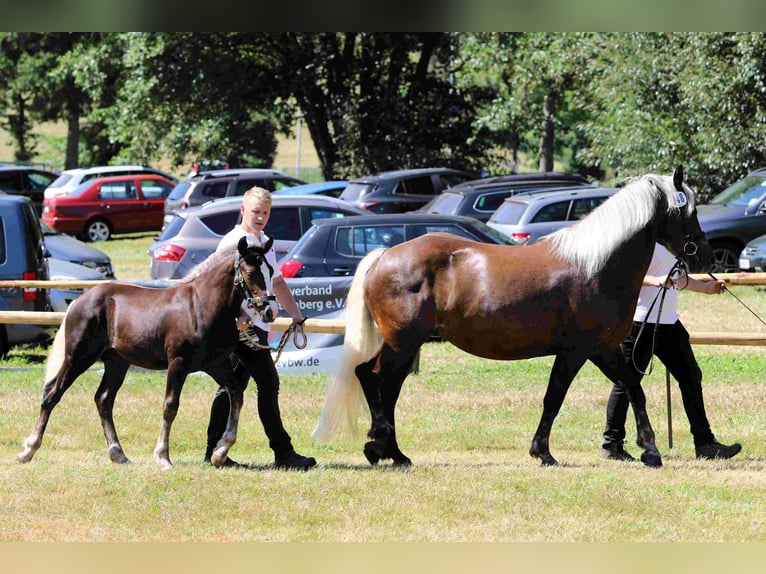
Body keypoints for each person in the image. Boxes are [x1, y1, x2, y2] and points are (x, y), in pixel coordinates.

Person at [204, 186, 316, 470]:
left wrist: (296, 313)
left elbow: (276, 282)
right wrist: (237, 317)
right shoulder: (232, 243)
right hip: (242, 328)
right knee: (268, 384)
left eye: (265, 212)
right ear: (243, 210)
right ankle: (283, 453)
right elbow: (218, 288)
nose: (261, 217)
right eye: (256, 211)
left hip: (259, 326)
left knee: (232, 387)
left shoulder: (264, 242)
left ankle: (214, 452)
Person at [601, 243, 742, 461]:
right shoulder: (646, 242)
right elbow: (627, 275)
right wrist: (656, 280)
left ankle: (705, 444)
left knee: (691, 377)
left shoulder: (675, 245)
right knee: (626, 384)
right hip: (641, 324)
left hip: (670, 324)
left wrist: (706, 288)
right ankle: (612, 445)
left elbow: (678, 278)